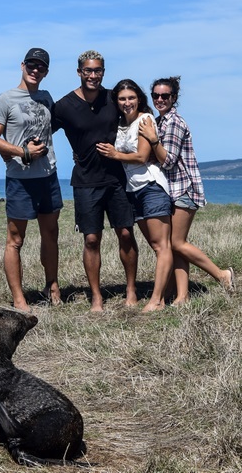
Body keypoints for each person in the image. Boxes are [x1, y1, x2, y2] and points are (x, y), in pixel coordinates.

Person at [52, 50, 139, 312]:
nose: (93, 75)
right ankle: (96, 297)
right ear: (79, 72)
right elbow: (43, 131)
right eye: (88, 70)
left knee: (126, 233)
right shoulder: (64, 106)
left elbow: (137, 118)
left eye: (97, 70)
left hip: (116, 178)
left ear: (103, 72)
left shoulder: (113, 98)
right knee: (91, 239)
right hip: (85, 181)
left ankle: (131, 290)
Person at [138, 76, 234, 305]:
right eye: (156, 95)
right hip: (171, 189)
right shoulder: (159, 121)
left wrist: (153, 141)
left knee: (177, 243)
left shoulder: (174, 123)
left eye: (165, 96)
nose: (160, 99)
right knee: (175, 245)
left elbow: (169, 161)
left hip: (184, 188)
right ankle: (183, 296)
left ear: (174, 98)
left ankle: (222, 275)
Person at [0, 48, 62, 312]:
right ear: (22, 65)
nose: (35, 70)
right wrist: (22, 152)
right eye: (31, 65)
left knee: (50, 234)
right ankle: (19, 299)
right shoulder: (4, 100)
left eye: (41, 67)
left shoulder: (46, 98)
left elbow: (52, 128)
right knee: (15, 240)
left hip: (48, 176)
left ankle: (52, 286)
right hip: (20, 179)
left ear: (46, 72)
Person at [97, 80, 173, 312]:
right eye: (122, 99)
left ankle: (156, 300)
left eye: (131, 98)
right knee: (155, 245)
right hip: (133, 190)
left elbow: (142, 156)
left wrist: (115, 154)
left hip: (151, 186)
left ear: (139, 99)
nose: (127, 102)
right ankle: (165, 294)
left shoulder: (145, 120)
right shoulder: (121, 124)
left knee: (161, 245)